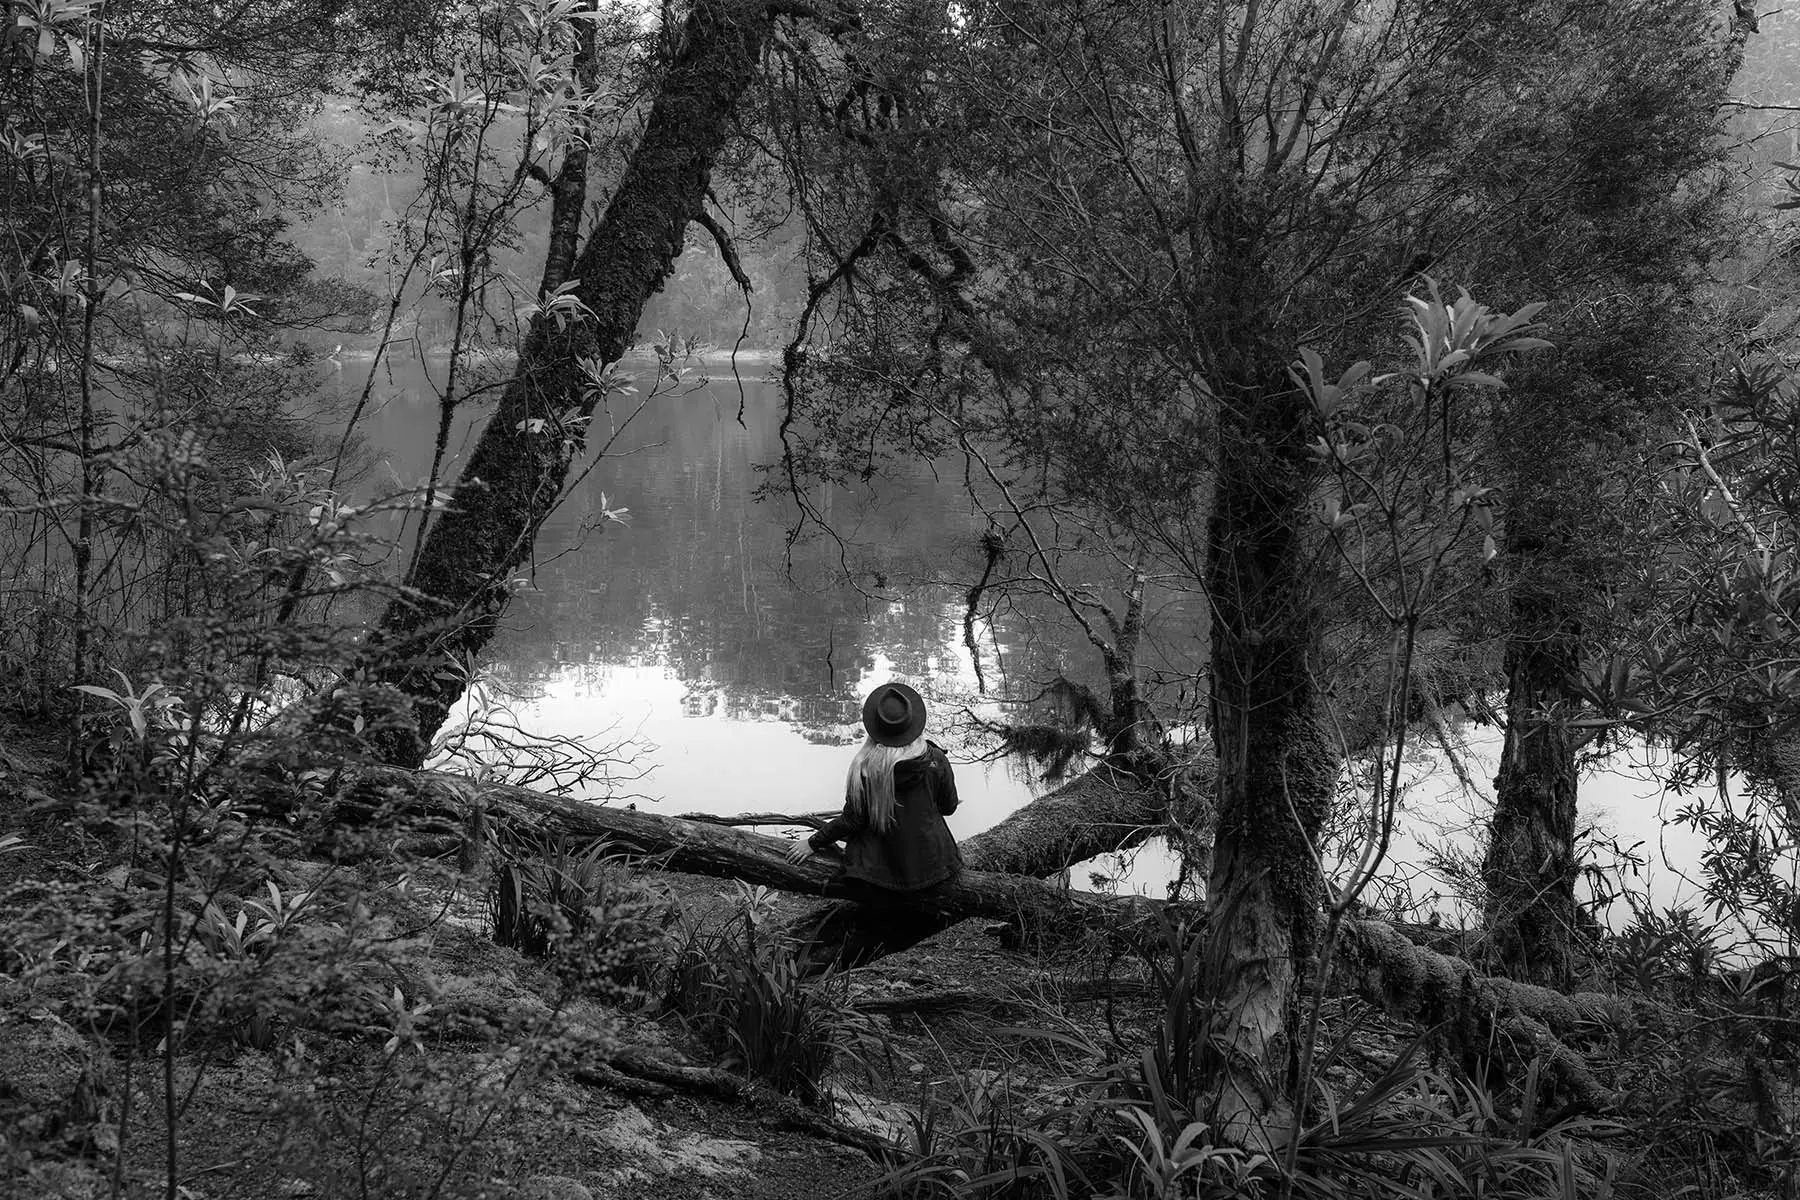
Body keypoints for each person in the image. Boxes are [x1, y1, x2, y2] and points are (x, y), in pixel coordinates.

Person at [784, 681, 962, 895]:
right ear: (912, 722)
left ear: (875, 726)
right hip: (934, 865)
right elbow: (949, 807)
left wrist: (813, 843)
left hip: (879, 873)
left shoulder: (865, 767)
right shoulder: (935, 759)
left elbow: (852, 820)